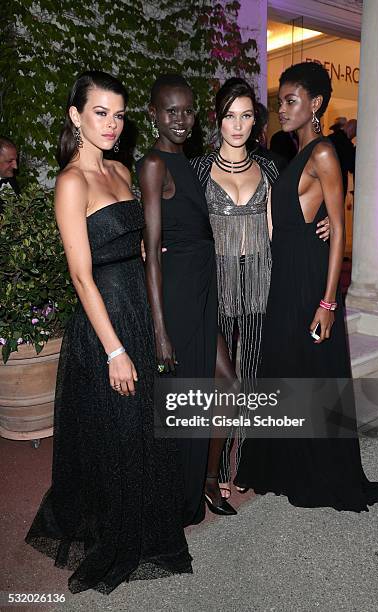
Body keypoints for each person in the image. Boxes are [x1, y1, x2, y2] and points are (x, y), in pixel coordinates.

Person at [25, 71, 192, 594]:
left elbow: (144, 242)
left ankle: (146, 523)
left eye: (118, 114)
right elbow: (80, 273)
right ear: (76, 116)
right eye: (101, 112)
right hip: (106, 323)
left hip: (139, 309)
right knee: (117, 432)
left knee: (145, 425)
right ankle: (115, 532)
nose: (112, 124)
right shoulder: (71, 181)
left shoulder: (122, 169)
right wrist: (114, 350)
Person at [235, 62, 378, 511]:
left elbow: (339, 231)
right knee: (287, 370)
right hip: (286, 273)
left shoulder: (323, 152)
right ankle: (288, 465)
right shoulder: (293, 152)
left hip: (309, 280)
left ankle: (319, 471)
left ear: (316, 103)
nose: (280, 110)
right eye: (280, 101)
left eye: (290, 101)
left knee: (311, 374)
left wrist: (328, 302)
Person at [191, 78, 330, 498]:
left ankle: (239, 463)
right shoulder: (197, 168)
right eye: (231, 115)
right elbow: (176, 221)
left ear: (256, 121)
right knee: (216, 381)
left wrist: (323, 222)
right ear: (218, 118)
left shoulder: (271, 166)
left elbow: (293, 212)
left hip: (262, 287)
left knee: (251, 378)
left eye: (247, 115)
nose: (238, 125)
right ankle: (204, 471)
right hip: (213, 289)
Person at [137, 74, 237, 525]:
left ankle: (208, 478)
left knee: (228, 388)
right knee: (186, 398)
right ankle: (173, 494)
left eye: (189, 111)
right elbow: (153, 252)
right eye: (171, 111)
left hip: (202, 291)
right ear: (153, 114)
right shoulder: (154, 165)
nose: (181, 119)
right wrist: (159, 330)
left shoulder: (190, 163)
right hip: (176, 296)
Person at [328, 116, 356, 198]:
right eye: (354, 133)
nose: (354, 136)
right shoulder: (347, 145)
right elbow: (351, 166)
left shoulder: (329, 138)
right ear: (351, 130)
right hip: (338, 183)